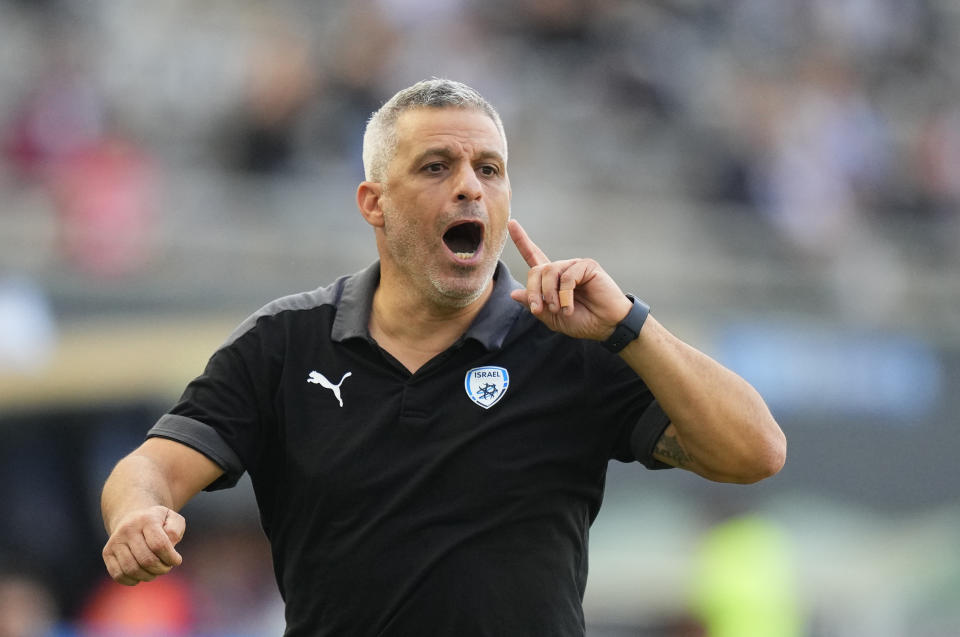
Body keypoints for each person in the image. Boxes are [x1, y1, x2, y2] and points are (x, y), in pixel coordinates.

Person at [100, 78, 786, 636]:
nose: (469, 186)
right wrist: (136, 514)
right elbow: (151, 468)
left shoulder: (571, 343)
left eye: (489, 169)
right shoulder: (284, 344)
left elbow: (755, 452)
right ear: (374, 202)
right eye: (437, 167)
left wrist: (631, 325)